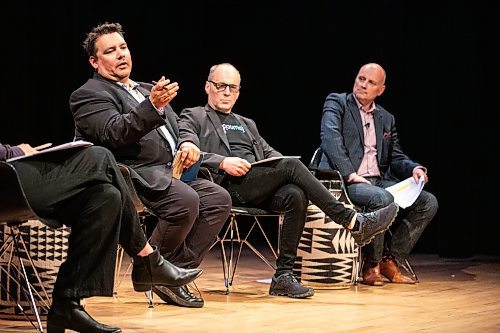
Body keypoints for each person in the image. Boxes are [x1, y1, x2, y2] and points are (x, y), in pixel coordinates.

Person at [178, 63, 400, 299]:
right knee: (292, 167)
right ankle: (352, 222)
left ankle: (283, 276)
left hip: (255, 184)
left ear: (239, 91)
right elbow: (187, 148)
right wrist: (223, 162)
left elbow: (270, 154)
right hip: (223, 187)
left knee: (295, 193)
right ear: (207, 87)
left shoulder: (246, 124)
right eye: (221, 86)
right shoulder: (194, 115)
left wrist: (283, 165)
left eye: (232, 88)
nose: (226, 92)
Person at [69, 22, 231, 308]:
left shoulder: (146, 88)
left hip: (171, 172)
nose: (121, 54)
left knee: (218, 199)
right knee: (185, 201)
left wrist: (187, 143)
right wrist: (152, 106)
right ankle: (152, 269)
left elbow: (179, 126)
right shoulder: (88, 94)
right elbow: (113, 133)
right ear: (95, 61)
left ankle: (168, 274)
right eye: (110, 51)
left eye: (123, 47)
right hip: (133, 177)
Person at [0, 143, 202, 332]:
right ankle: (146, 259)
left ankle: (67, 305)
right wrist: (15, 152)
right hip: (7, 179)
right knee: (100, 156)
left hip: (9, 174)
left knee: (106, 197)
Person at [319, 63, 439, 286]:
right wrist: (350, 174)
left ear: (380, 90)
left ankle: (390, 258)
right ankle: (371, 263)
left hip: (379, 181)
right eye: (361, 78)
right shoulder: (337, 103)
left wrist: (414, 168)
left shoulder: (386, 118)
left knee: (428, 202)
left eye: (371, 82)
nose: (363, 85)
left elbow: (395, 156)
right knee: (382, 198)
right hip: (347, 181)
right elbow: (330, 139)